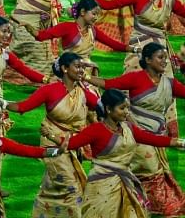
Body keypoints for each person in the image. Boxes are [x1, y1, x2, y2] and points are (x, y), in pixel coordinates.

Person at [63, 89, 185, 218]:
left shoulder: (128, 128)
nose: (127, 112)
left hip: (125, 183)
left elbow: (152, 139)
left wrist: (179, 142)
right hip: (101, 187)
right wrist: (52, 137)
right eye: (122, 108)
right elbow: (69, 144)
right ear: (109, 109)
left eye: (127, 108)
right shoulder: (96, 130)